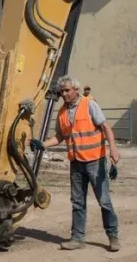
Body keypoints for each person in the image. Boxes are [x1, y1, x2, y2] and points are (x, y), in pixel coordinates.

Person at [30, 75, 121, 252]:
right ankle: (77, 238)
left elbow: (105, 127)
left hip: (95, 161)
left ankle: (113, 236)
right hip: (76, 163)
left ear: (76, 90)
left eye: (67, 90)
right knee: (78, 203)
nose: (63, 94)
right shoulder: (62, 112)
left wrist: (113, 149)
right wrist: (43, 144)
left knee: (104, 201)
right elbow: (60, 136)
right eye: (61, 91)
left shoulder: (89, 104)